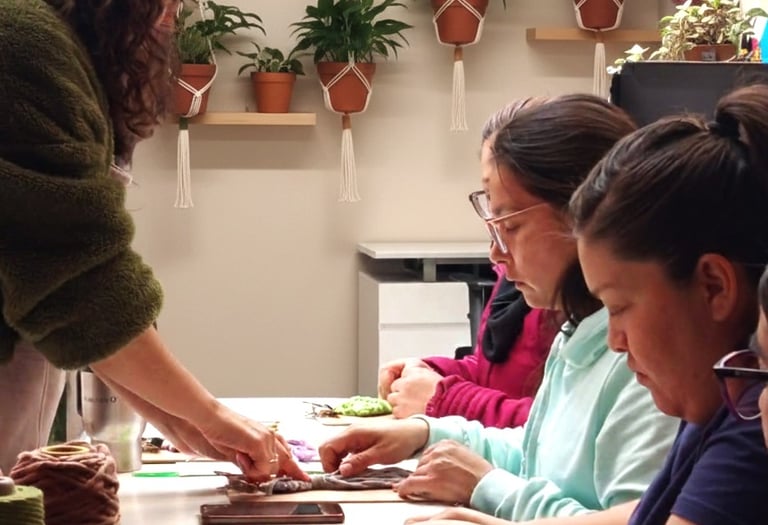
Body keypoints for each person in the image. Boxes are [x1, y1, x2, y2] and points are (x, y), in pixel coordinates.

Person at [403, 84, 768, 525]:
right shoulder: (713, 406)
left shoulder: (742, 413)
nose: (614, 340)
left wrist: (489, 493)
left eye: (618, 307)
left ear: (713, 287)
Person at [320, 94, 678, 522]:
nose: (495, 254)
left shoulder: (642, 358)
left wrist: (489, 486)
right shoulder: (577, 332)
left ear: (585, 216)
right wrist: (425, 432)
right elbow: (536, 453)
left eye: (510, 227)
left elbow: (632, 517)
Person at [0, 0, 306, 481]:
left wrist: (179, 420)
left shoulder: (46, 41)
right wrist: (209, 415)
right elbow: (82, 283)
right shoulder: (21, 42)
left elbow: (75, 288)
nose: (175, 13)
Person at [381, 98, 559, 428]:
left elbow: (557, 432)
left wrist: (446, 398)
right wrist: (433, 373)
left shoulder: (596, 320)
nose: (496, 252)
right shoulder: (524, 281)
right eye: (492, 214)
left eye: (512, 224)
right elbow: (493, 374)